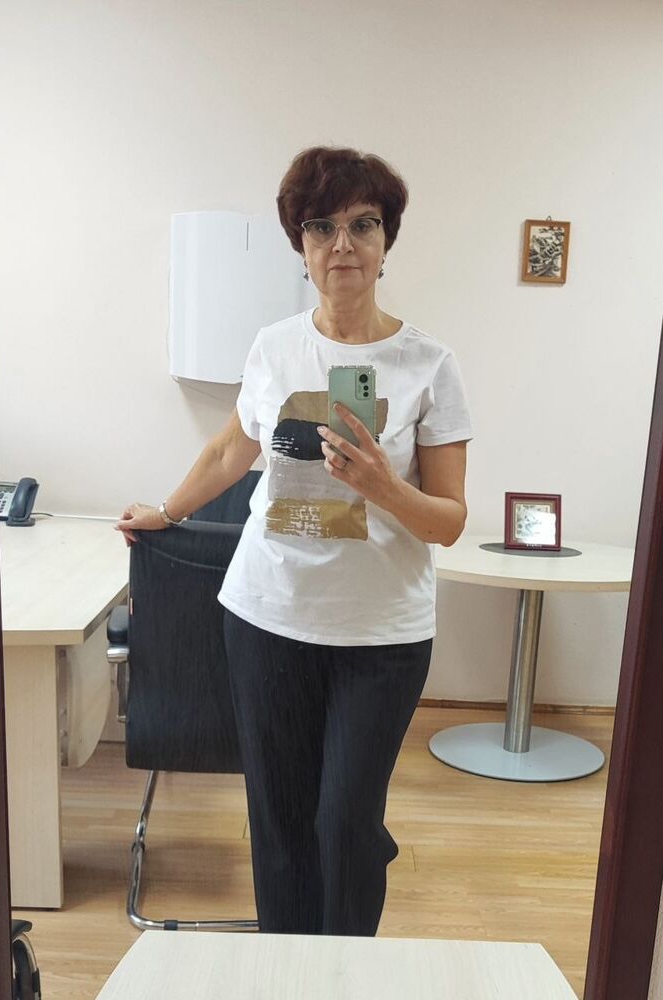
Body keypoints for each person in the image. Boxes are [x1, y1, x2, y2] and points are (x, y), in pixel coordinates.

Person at [116, 145, 473, 937]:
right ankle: (285, 970)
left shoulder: (428, 365)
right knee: (277, 823)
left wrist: (380, 485)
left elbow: (448, 521)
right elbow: (228, 451)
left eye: (362, 225)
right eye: (320, 227)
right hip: (268, 618)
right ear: (300, 245)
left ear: (385, 241)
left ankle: (345, 971)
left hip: (381, 636)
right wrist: (166, 511)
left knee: (345, 825)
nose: (341, 245)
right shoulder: (274, 347)